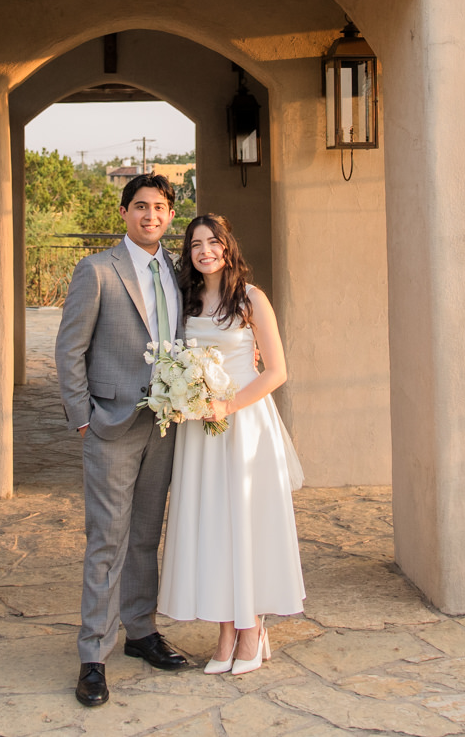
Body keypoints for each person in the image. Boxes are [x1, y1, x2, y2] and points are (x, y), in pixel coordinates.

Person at [54, 173, 193, 707]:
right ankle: (93, 654)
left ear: (171, 215)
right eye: (140, 206)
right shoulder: (97, 270)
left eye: (159, 207)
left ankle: (140, 631)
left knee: (143, 534)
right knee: (106, 539)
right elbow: (70, 348)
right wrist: (81, 415)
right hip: (110, 423)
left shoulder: (177, 273)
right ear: (124, 213)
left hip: (163, 423)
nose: (150, 215)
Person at [157, 212, 305, 675]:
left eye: (213, 242)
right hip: (200, 427)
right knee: (213, 524)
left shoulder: (251, 299)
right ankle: (225, 629)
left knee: (244, 521)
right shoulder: (185, 300)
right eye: (196, 243)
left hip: (244, 424)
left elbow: (276, 371)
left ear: (227, 246)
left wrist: (229, 406)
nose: (205, 250)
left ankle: (251, 626)